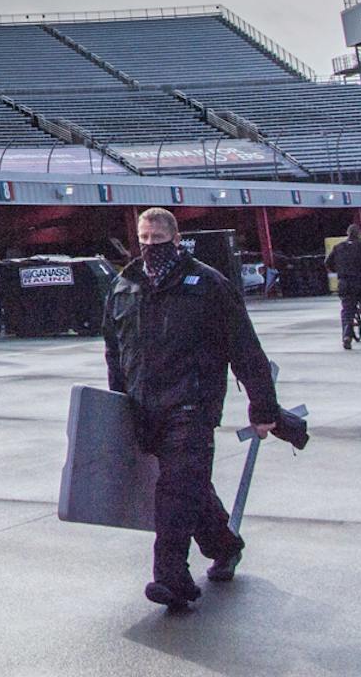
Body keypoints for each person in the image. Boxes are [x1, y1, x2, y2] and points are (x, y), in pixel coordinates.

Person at [104, 206, 280, 611]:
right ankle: (226, 544)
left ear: (176, 239)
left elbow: (245, 347)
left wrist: (263, 406)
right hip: (144, 406)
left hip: (192, 405)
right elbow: (115, 350)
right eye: (144, 240)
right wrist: (118, 404)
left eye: (158, 241)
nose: (150, 249)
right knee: (190, 488)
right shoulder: (124, 285)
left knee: (176, 488)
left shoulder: (208, 285)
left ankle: (170, 577)